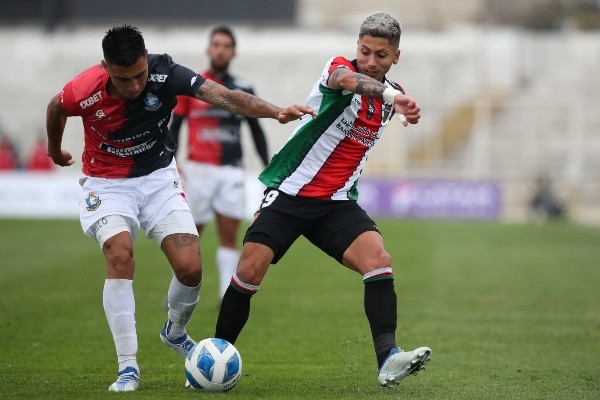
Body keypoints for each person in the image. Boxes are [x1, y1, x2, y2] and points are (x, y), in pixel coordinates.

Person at [45, 24, 314, 392]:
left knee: (190, 268)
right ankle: (127, 366)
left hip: (158, 178)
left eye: (140, 75)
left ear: (146, 59)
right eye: (124, 79)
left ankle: (174, 331)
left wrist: (277, 111)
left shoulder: (166, 72)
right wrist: (54, 149)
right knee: (120, 254)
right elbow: (56, 107)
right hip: (107, 184)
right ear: (106, 68)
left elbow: (224, 96)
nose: (135, 86)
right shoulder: (84, 89)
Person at [213, 12, 431, 389]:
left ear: (396, 56)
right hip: (291, 192)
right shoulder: (340, 69)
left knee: (379, 261)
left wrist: (401, 106)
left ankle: (388, 359)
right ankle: (216, 357)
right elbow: (346, 80)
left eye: (381, 55)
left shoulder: (390, 96)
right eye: (365, 51)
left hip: (337, 203)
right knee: (249, 270)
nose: (370, 60)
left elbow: (389, 103)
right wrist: (394, 96)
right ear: (356, 47)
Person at [170, 26, 270, 302]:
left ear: (233, 52)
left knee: (229, 236)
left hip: (230, 170)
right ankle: (177, 292)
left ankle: (226, 294)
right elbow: (175, 127)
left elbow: (256, 131)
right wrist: (171, 161)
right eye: (217, 45)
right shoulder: (192, 86)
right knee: (188, 238)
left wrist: (268, 166)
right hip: (197, 171)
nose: (221, 50)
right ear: (209, 49)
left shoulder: (243, 89)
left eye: (226, 46)